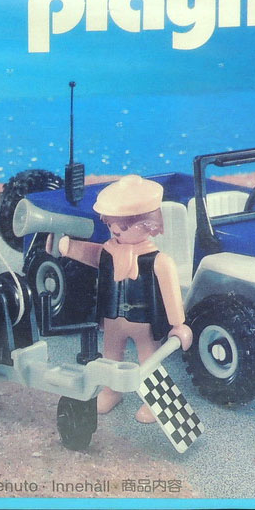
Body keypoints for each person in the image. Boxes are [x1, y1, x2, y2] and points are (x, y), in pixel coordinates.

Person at [58, 175, 193, 423]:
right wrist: (70, 248)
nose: (116, 230)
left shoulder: (158, 260)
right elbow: (92, 254)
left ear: (150, 224)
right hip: (113, 319)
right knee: (111, 358)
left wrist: (178, 324)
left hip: (144, 322)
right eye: (112, 224)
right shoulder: (109, 250)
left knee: (149, 361)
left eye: (124, 226)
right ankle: (111, 392)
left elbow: (171, 293)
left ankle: (156, 402)